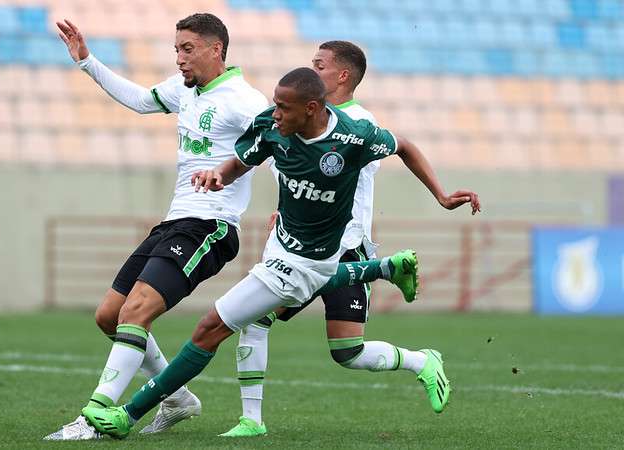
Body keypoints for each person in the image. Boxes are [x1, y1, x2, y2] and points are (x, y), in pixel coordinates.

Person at [81, 67, 455, 440]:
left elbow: (403, 145)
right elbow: (243, 160)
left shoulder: (353, 137)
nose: (274, 113)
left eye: (282, 108)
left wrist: (440, 194)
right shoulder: (273, 127)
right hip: (283, 243)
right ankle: (386, 269)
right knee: (275, 330)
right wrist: (219, 175)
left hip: (310, 260)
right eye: (274, 106)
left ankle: (128, 415)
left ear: (311, 108)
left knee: (210, 329)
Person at [221, 41, 481, 437]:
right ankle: (251, 421)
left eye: (319, 65)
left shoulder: (356, 124)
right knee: (255, 318)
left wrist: (442, 196)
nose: (312, 71)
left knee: (348, 353)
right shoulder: (294, 119)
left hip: (347, 249)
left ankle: (421, 361)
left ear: (342, 75)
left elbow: (401, 147)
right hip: (297, 248)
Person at [44, 13, 269, 440]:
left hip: (211, 226)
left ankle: (94, 417)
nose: (180, 59)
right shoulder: (186, 91)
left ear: (215, 49)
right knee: (110, 316)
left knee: (136, 311)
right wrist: (87, 61)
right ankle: (179, 397)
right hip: (174, 221)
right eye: (176, 50)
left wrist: (287, 211)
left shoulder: (244, 100)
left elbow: (279, 149)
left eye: (187, 49)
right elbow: (140, 99)